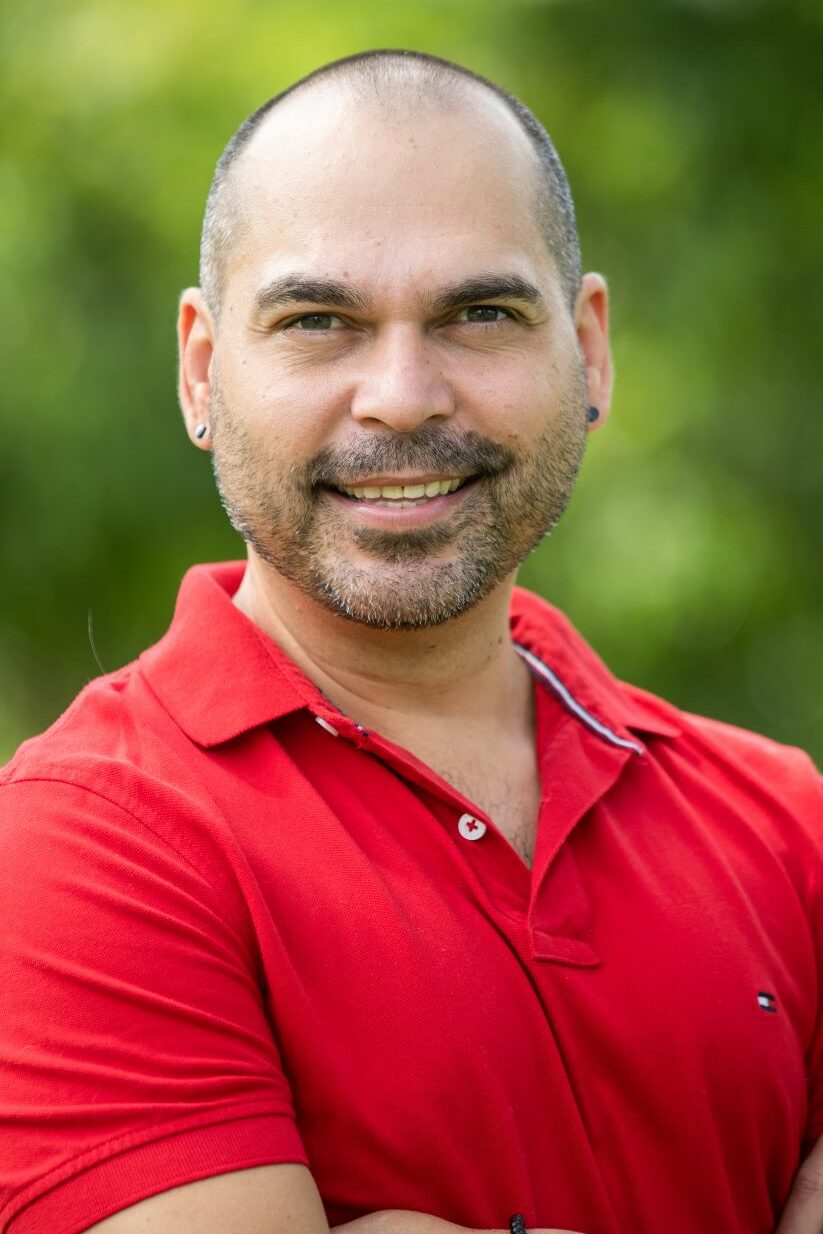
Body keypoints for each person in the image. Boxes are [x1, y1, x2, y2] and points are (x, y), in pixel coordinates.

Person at [0, 48, 821, 1234]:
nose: (400, 395)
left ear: (586, 350)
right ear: (201, 369)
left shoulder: (782, 822)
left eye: (479, 314)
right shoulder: (78, 850)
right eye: (318, 320)